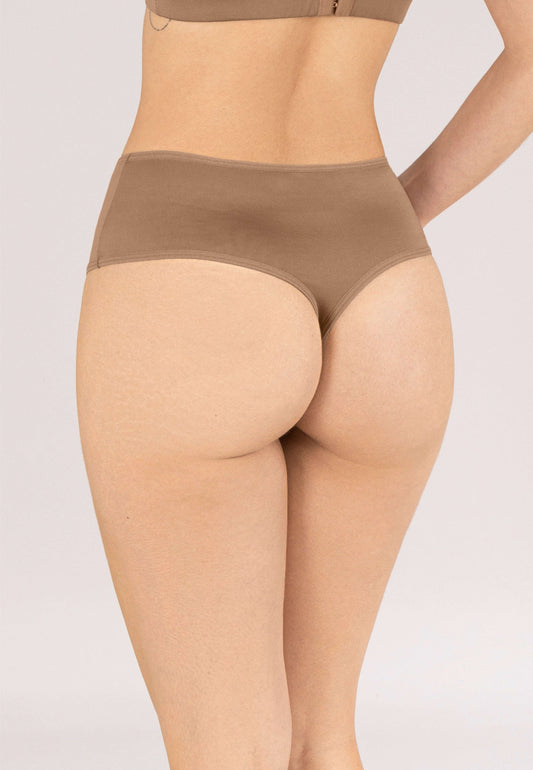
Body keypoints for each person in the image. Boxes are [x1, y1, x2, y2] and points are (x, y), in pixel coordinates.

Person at [75, 2, 533, 768]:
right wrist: (403, 208)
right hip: (385, 282)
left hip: (190, 262)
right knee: (321, 739)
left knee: (230, 749)